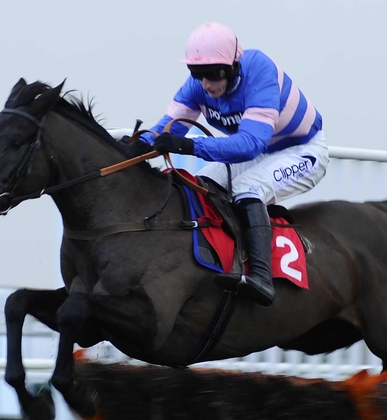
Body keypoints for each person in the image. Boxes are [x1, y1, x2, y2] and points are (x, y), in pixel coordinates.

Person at [133, 22, 329, 307]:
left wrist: (190, 145)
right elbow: (168, 127)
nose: (206, 84)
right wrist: (138, 145)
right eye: (198, 74)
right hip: (260, 151)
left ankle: (261, 277)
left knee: (247, 188)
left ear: (233, 66)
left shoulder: (259, 71)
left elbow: (250, 144)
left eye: (214, 74)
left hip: (302, 151)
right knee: (201, 186)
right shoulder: (200, 84)